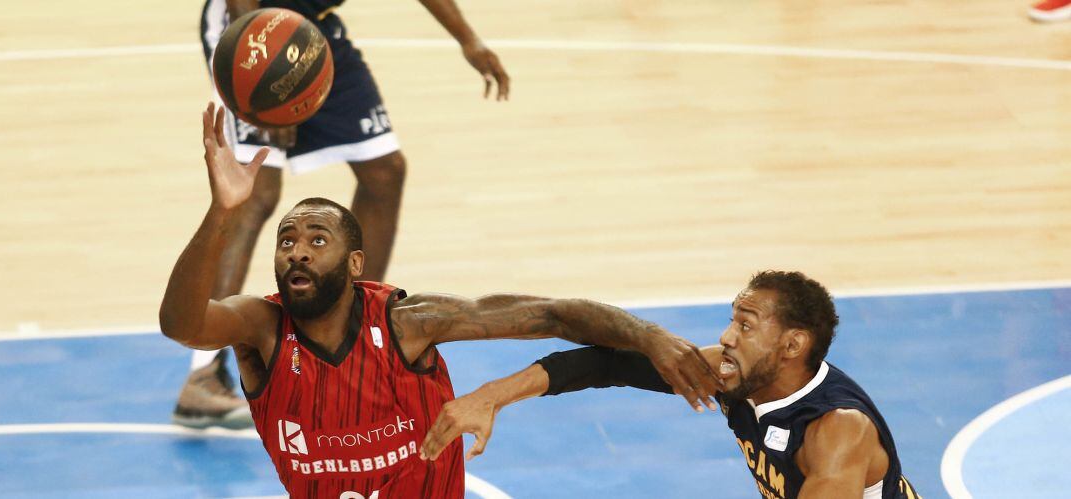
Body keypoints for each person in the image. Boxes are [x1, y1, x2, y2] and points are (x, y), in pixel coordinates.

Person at [158, 103, 718, 497]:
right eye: (287, 241)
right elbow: (181, 324)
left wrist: (650, 336)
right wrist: (223, 211)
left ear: (357, 265)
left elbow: (552, 315)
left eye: (316, 240)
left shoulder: (408, 324)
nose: (297, 252)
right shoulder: (263, 326)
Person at [177, 0, 511, 429]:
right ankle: (203, 372)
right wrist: (269, 91)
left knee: (384, 172)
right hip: (254, 25)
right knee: (257, 195)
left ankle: (353, 344)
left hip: (311, 31)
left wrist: (469, 39)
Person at [419, 271, 922, 499]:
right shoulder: (734, 374)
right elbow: (603, 365)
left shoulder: (838, 432)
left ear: (792, 346)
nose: (725, 337)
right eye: (733, 319)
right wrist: (492, 396)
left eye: (745, 326)